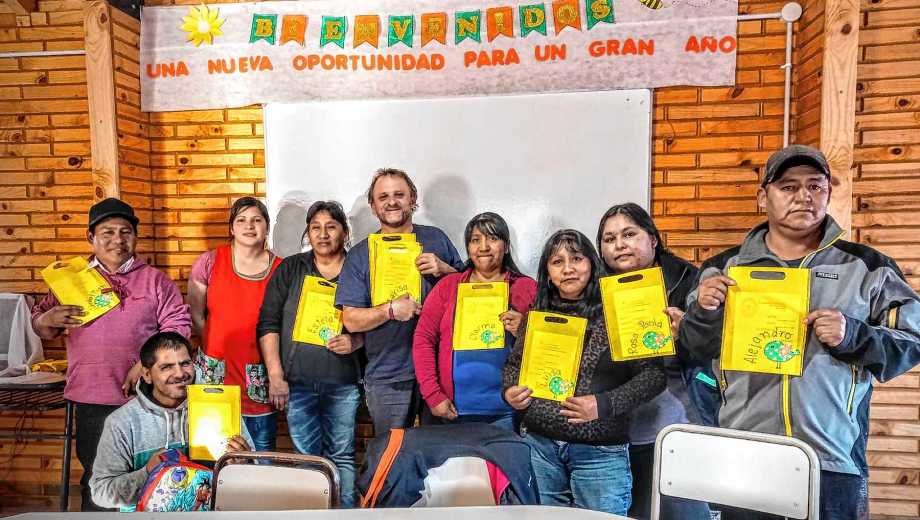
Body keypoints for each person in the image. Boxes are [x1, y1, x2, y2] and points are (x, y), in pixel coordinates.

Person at [679, 144, 920, 520]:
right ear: (764, 197)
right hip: (745, 453)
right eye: (788, 187)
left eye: (815, 186)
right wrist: (704, 312)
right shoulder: (722, 267)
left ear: (828, 192)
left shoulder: (868, 267)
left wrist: (853, 336)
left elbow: (911, 342)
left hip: (831, 459)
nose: (803, 196)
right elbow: (692, 350)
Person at [31, 198, 191, 511]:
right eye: (107, 232)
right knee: (98, 477)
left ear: (135, 237)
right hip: (93, 397)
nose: (117, 240)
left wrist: (142, 365)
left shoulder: (156, 280)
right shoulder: (71, 280)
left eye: (125, 232)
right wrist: (47, 320)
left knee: (155, 474)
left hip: (148, 401)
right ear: (90, 237)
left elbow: (178, 327)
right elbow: (41, 325)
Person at [502, 229, 666, 515]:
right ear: (547, 271)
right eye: (557, 262)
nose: (568, 269)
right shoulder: (537, 314)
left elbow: (654, 376)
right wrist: (510, 392)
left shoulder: (620, 310)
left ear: (592, 262)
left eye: (576, 259)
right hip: (540, 447)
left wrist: (602, 405)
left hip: (599, 453)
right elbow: (514, 367)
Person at [596, 203, 714, 520]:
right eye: (609, 239)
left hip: (677, 428)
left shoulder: (690, 283)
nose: (619, 244)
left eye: (629, 234)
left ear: (652, 238)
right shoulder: (593, 293)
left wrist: (687, 333)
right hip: (617, 437)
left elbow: (717, 354)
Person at [335, 168, 464, 434]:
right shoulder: (360, 255)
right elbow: (351, 319)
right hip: (388, 375)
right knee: (391, 457)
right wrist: (390, 310)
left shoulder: (436, 239)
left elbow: (470, 295)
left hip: (440, 373)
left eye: (399, 194)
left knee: (439, 459)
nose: (391, 201)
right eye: (383, 197)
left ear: (412, 199)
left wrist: (445, 270)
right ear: (373, 206)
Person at [257, 200, 364, 508]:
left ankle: (345, 515)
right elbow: (268, 323)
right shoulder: (291, 269)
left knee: (342, 456)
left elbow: (377, 319)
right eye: (315, 227)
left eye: (331, 227)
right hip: (297, 383)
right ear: (308, 232)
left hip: (343, 383)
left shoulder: (359, 270)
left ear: (344, 232)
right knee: (307, 459)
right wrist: (276, 377)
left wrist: (356, 342)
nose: (323, 234)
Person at [90, 332, 250, 511]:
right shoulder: (122, 422)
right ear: (147, 374)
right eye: (167, 367)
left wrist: (244, 464)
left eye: (185, 363)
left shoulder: (222, 407)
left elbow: (252, 478)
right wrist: (149, 473)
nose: (180, 373)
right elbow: (101, 492)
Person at [413, 212, 536, 430]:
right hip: (453, 409)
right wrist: (433, 395)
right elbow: (423, 340)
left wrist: (525, 329)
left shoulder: (526, 288)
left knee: (503, 464)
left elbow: (547, 348)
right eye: (475, 240)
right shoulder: (448, 286)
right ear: (469, 248)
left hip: (508, 410)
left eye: (493, 238)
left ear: (506, 247)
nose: (484, 247)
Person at [187, 197, 282, 451]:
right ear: (231, 228)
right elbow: (196, 315)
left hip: (259, 378)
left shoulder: (282, 269)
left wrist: (276, 375)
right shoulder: (208, 262)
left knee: (261, 459)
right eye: (241, 220)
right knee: (212, 459)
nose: (249, 226)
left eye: (256, 220)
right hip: (214, 376)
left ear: (267, 226)